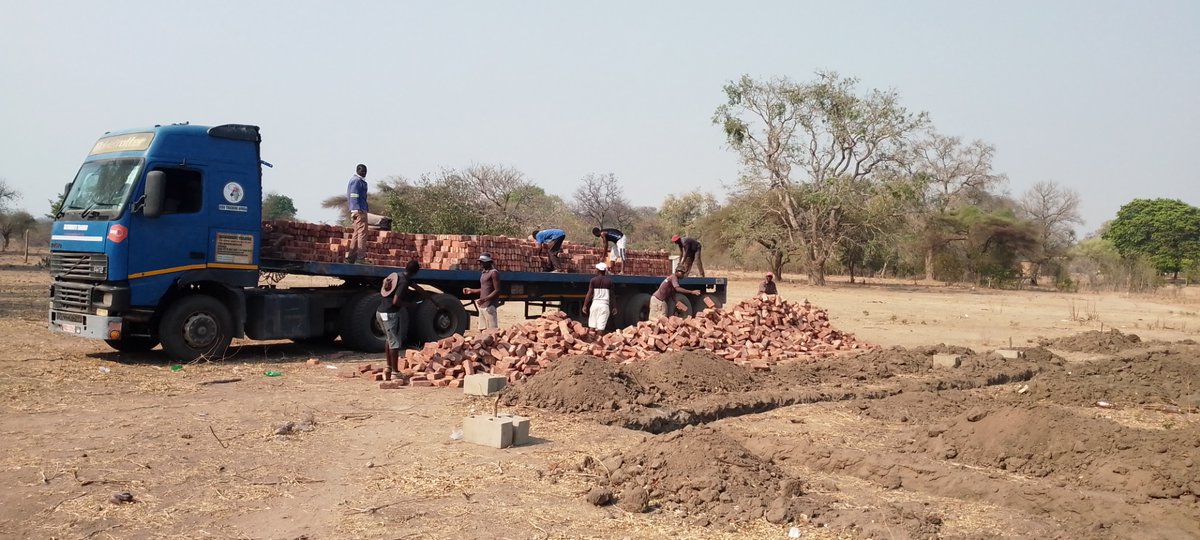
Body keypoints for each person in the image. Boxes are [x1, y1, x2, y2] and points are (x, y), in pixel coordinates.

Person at [378, 260, 424, 380]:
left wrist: (424, 293)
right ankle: (395, 372)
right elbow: (396, 301)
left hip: (380, 312)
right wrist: (410, 305)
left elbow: (414, 285)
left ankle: (388, 368)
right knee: (395, 343)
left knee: (389, 340)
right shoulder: (403, 282)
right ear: (416, 272)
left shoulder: (398, 276)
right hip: (390, 313)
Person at [462, 252, 501, 331]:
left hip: (489, 306)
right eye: (480, 262)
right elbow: (484, 289)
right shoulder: (483, 273)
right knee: (482, 330)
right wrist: (471, 290)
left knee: (492, 331)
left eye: (482, 262)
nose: (480, 263)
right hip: (482, 306)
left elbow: (497, 290)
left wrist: (484, 299)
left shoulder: (493, 273)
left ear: (488, 262)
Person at [345, 164, 370, 264]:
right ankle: (360, 258)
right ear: (357, 171)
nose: (364, 173)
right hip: (359, 211)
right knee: (362, 234)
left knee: (356, 234)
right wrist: (357, 209)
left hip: (359, 210)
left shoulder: (359, 181)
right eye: (362, 171)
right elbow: (354, 196)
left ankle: (350, 258)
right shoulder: (356, 181)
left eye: (365, 171)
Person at [582, 262, 613, 332]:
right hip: (604, 306)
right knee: (600, 328)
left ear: (598, 270)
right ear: (605, 271)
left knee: (592, 326)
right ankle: (597, 342)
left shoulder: (593, 280)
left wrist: (585, 305)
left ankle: (590, 341)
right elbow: (612, 296)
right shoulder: (609, 281)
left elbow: (589, 294)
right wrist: (614, 307)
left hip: (595, 305)